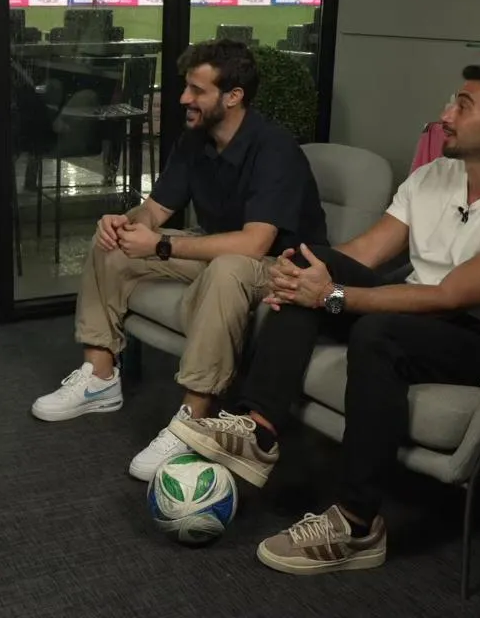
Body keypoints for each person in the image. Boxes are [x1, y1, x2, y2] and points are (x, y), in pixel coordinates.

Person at [167, 64, 480, 575]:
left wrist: (333, 296)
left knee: (375, 330)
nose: (445, 115)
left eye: (462, 105)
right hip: (418, 308)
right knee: (313, 259)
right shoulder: (434, 177)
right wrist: (306, 278)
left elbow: (449, 298)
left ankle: (357, 525)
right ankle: (259, 430)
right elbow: (363, 252)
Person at [30, 39, 329, 481]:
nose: (184, 98)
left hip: (279, 267)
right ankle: (99, 377)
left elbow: (253, 243)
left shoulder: (274, 149)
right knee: (114, 241)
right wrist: (125, 223)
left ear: (233, 96)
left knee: (227, 267)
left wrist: (162, 246)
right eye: (186, 87)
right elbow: (155, 211)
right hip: (220, 251)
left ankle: (193, 420)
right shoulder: (196, 139)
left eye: (197, 90)